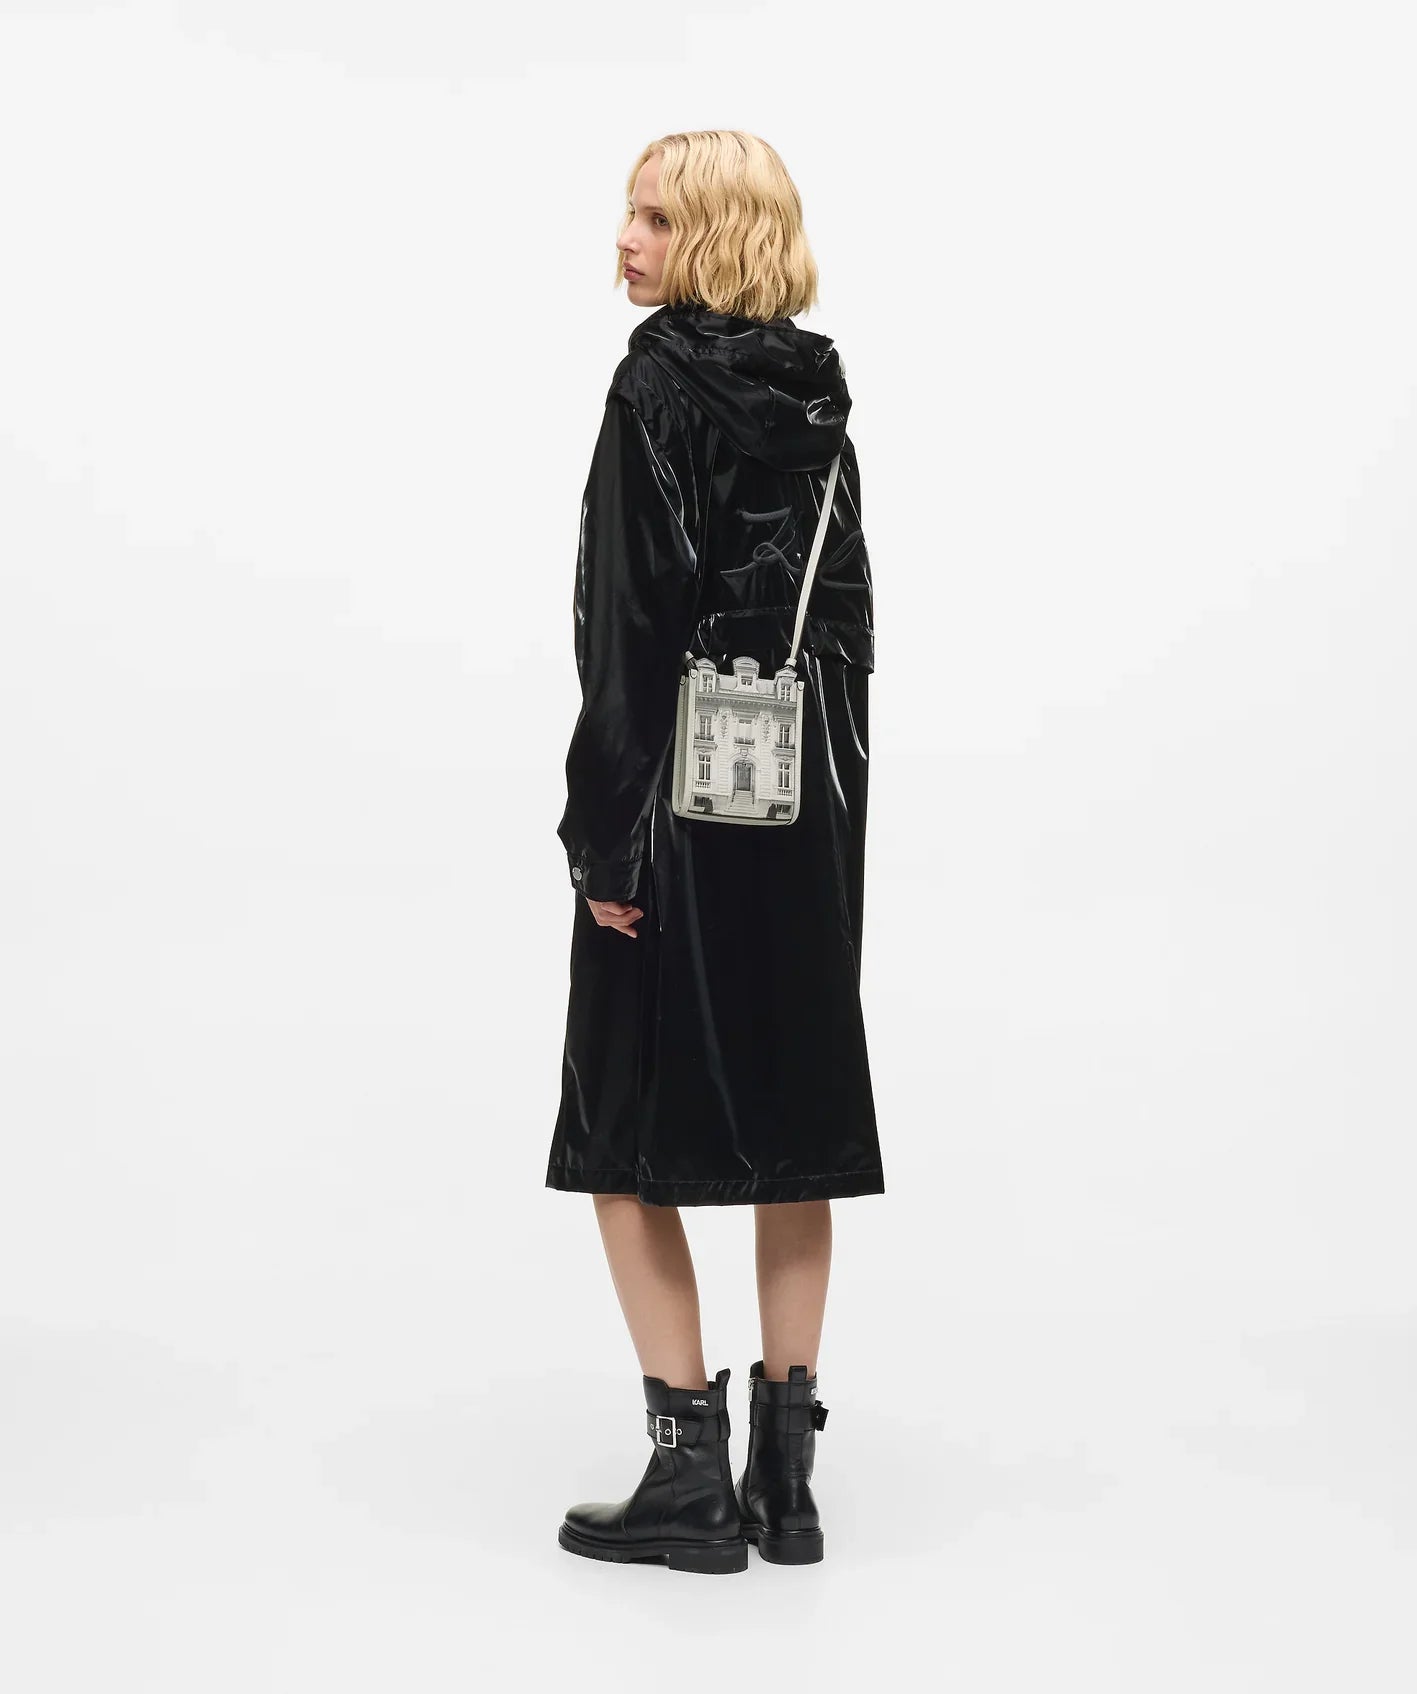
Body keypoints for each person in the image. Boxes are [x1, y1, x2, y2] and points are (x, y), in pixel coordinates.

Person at [545, 130, 884, 1574]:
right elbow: (846, 638)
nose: (623, 237)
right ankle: (787, 1484)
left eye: (652, 216)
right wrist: (827, 838)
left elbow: (627, 632)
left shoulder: (655, 385)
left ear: (714, 236)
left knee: (621, 1138)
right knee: (792, 1132)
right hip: (800, 815)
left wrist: (604, 845)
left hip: (672, 823)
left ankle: (689, 1476)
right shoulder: (822, 401)